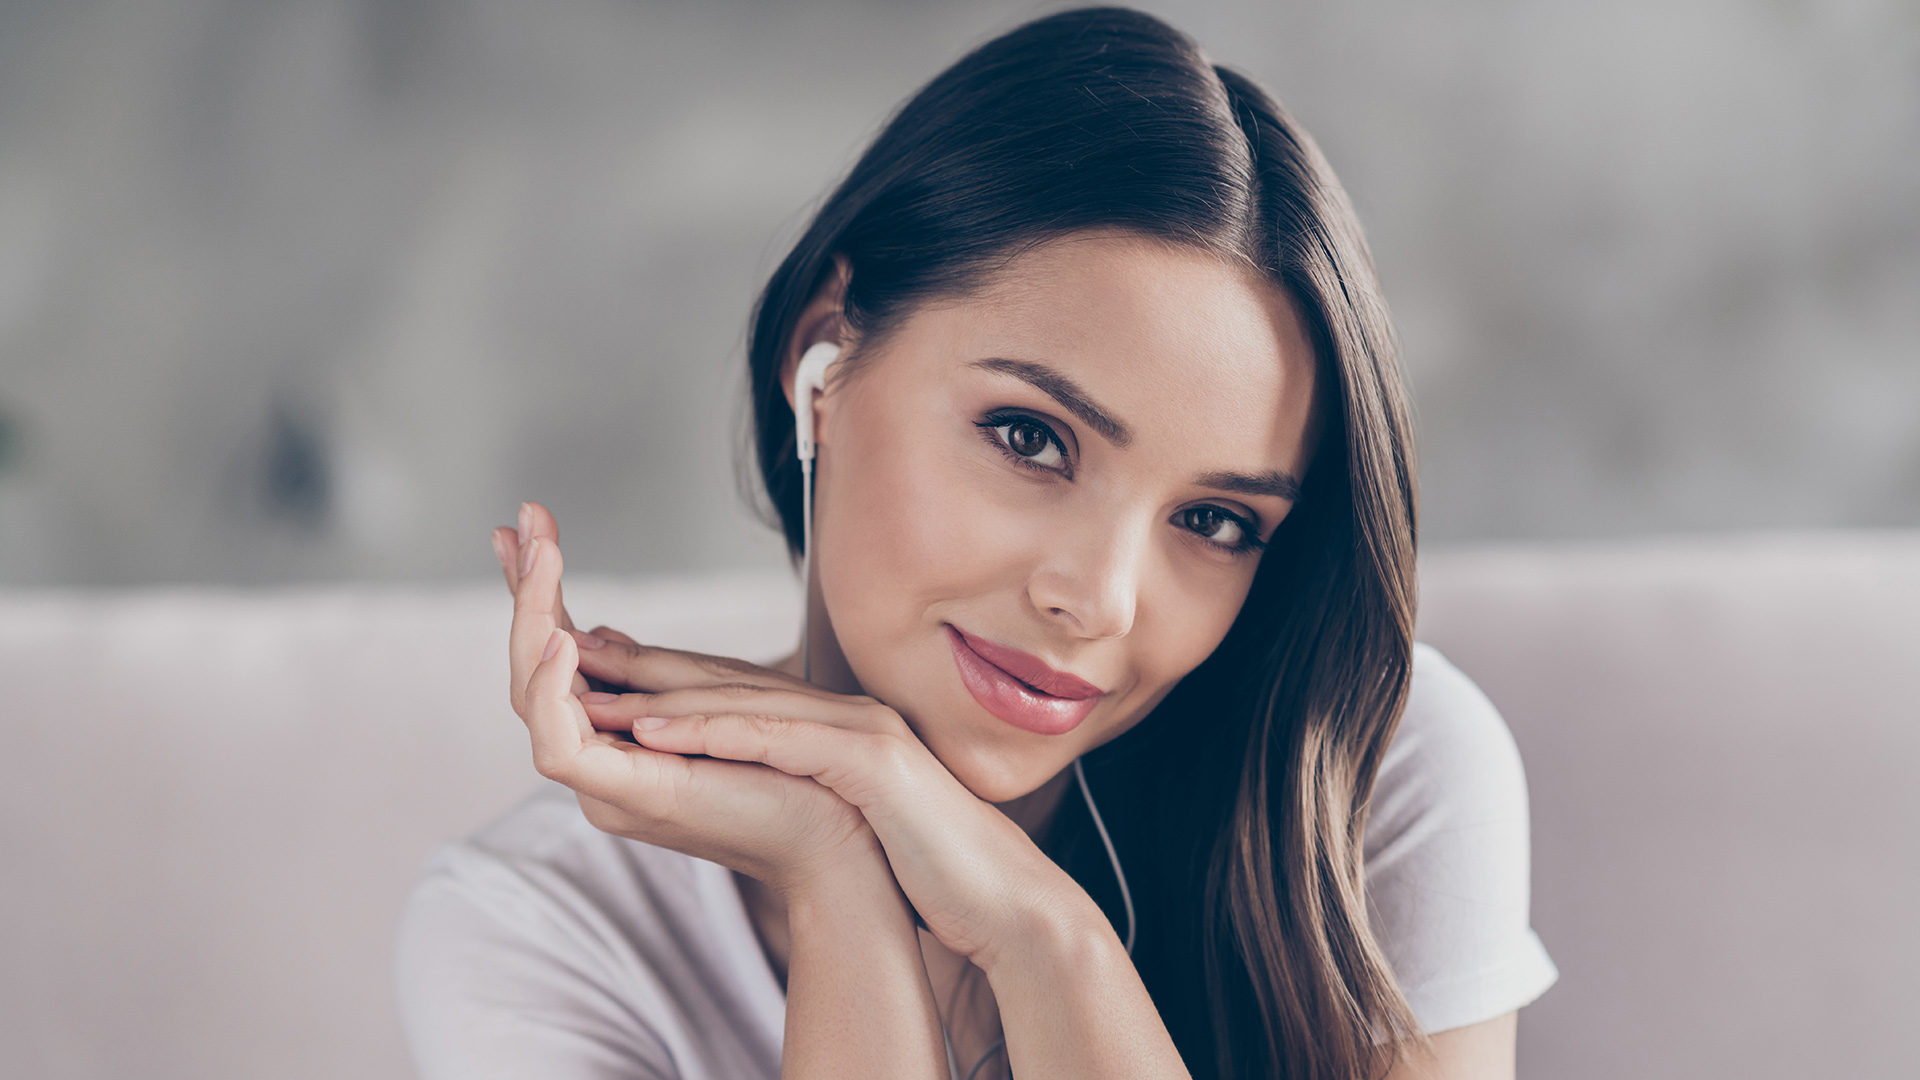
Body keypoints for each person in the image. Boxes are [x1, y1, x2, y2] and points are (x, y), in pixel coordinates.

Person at [394, 8, 1556, 1079]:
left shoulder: (1359, 779)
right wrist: (837, 868)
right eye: (1029, 437)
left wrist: (1043, 938)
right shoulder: (540, 931)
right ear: (824, 363)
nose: (1097, 600)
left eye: (1214, 521)